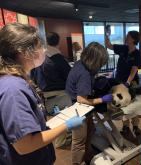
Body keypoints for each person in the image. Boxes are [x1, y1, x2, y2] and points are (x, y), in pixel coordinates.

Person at [0, 23, 85, 165]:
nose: (43, 50)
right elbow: (24, 145)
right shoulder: (13, 89)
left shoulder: (15, 80)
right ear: (23, 51)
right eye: (39, 46)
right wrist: (67, 125)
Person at [66, 42, 113, 165]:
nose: (102, 65)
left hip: (80, 108)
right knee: (79, 140)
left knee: (90, 130)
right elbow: (81, 99)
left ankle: (88, 156)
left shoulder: (80, 63)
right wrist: (102, 100)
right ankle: (77, 162)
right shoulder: (85, 74)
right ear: (94, 60)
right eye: (101, 63)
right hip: (78, 110)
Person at [105, 30, 141, 135]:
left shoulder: (137, 53)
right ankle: (125, 126)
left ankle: (135, 125)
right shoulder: (123, 48)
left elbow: (134, 69)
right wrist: (107, 34)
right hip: (119, 80)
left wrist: (128, 83)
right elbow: (108, 45)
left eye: (128, 36)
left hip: (130, 81)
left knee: (132, 103)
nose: (126, 37)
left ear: (134, 39)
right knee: (123, 104)